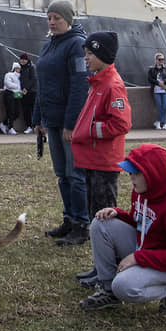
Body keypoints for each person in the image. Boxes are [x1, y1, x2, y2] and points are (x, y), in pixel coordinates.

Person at [79, 144, 166, 314]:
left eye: (136, 173)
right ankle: (107, 291)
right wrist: (118, 214)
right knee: (100, 224)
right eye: (130, 173)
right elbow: (139, 222)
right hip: (147, 249)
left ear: (153, 175)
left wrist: (138, 258)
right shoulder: (141, 192)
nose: (131, 178)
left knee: (123, 286)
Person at [32, 0, 90, 244]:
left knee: (75, 174)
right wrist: (38, 119)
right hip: (52, 119)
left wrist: (71, 123)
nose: (52, 22)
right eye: (49, 18)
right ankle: (69, 218)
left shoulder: (76, 45)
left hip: (68, 121)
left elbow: (79, 85)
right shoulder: (49, 46)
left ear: (69, 19)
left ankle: (81, 223)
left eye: (57, 17)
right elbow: (42, 85)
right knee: (62, 174)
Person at [69, 31, 131, 250]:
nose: (85, 58)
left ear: (101, 54)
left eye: (89, 53)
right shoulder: (98, 83)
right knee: (95, 213)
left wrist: (91, 129)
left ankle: (109, 262)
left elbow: (121, 124)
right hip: (93, 160)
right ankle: (101, 264)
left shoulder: (111, 86)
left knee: (104, 215)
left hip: (103, 162)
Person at [147, 52, 166, 130]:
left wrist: (164, 82)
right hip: (156, 90)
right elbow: (150, 79)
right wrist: (158, 83)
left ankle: (159, 121)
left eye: (163, 59)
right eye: (160, 59)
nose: (162, 61)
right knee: (160, 107)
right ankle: (165, 123)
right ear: (156, 60)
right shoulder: (151, 69)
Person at [0, 62, 22, 135]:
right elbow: (8, 84)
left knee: (17, 112)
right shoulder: (9, 75)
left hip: (17, 94)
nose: (19, 70)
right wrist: (17, 86)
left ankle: (4, 123)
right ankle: (10, 127)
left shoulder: (20, 77)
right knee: (11, 111)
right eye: (17, 68)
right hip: (9, 93)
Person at [18, 52, 37, 134]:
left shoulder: (31, 67)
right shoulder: (20, 68)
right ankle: (29, 126)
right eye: (21, 59)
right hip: (23, 92)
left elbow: (33, 79)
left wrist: (26, 88)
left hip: (32, 92)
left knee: (33, 109)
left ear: (27, 60)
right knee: (26, 110)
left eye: (24, 59)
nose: (22, 61)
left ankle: (35, 126)